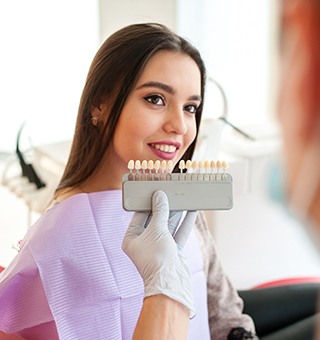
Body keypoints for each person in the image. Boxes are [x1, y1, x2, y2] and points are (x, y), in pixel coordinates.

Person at [0, 23, 256, 339]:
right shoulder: (56, 238)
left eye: (190, 107)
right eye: (156, 99)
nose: (179, 126)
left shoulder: (179, 204)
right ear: (100, 105)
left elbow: (225, 314)